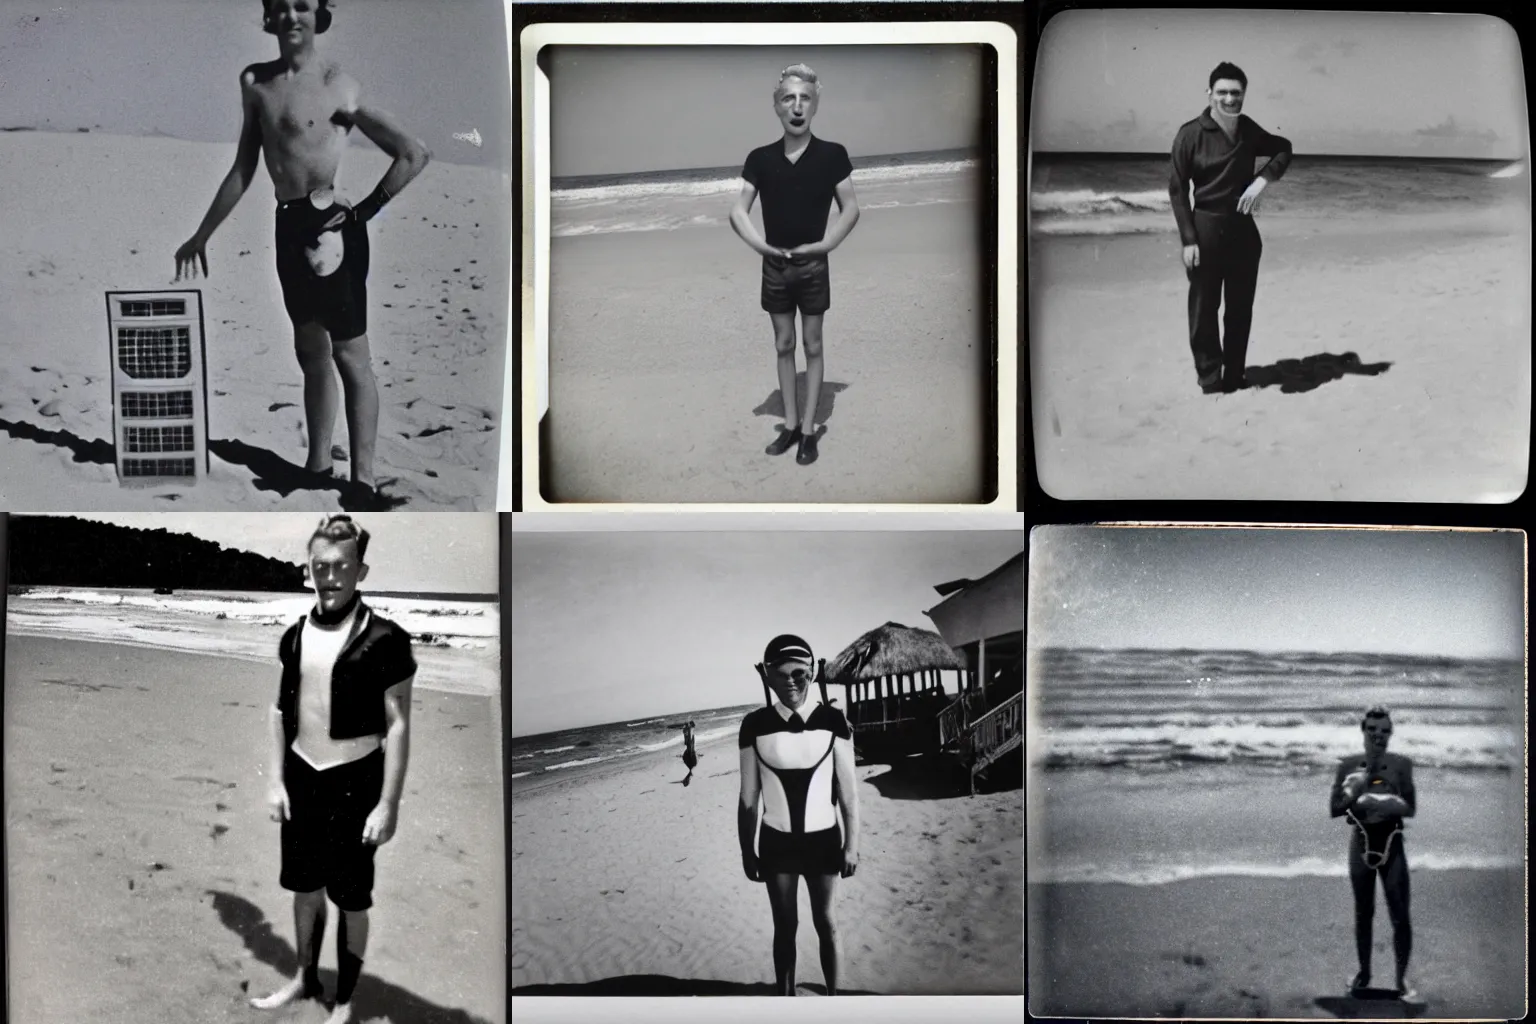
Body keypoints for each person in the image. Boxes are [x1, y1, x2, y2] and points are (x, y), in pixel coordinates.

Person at [174, 0, 431, 506]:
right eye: (282, 7)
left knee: (351, 355)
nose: (292, 16)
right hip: (288, 227)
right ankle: (317, 466)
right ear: (269, 17)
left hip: (333, 231)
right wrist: (201, 234)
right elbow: (244, 168)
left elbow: (412, 153)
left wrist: (363, 212)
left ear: (319, 15)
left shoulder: (339, 83)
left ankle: (363, 480)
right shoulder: (256, 83)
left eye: (303, 6)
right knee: (310, 352)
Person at [252, 515, 417, 1024]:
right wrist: (278, 781)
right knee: (304, 889)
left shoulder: (387, 639)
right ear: (309, 569)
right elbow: (282, 713)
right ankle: (304, 978)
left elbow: (398, 726)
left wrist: (387, 804)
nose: (330, 576)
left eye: (341, 567)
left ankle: (344, 1002)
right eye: (320, 566)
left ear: (360, 571)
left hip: (357, 781)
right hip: (303, 776)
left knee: (351, 898)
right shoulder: (294, 636)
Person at [729, 64, 861, 466]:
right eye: (788, 98)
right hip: (776, 267)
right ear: (777, 106)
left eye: (805, 98)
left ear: (815, 104)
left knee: (813, 344)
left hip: (813, 267)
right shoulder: (760, 158)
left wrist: (824, 245)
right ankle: (788, 424)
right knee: (783, 344)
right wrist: (762, 248)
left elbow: (851, 208)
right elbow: (737, 211)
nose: (797, 106)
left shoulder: (832, 155)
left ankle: (808, 431)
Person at [738, 635, 860, 995]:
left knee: (826, 922)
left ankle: (834, 1000)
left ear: (812, 671)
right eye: (780, 673)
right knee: (785, 925)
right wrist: (747, 850)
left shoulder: (833, 721)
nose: (791, 681)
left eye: (800, 673)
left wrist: (852, 845)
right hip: (776, 843)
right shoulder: (754, 725)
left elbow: (848, 791)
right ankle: (786, 1002)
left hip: (824, 839)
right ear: (767, 675)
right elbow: (748, 799)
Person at [1169, 61, 1292, 394]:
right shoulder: (1190, 133)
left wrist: (1260, 182)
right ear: (1209, 93)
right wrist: (1188, 240)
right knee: (1204, 311)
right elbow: (1178, 189)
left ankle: (1235, 376)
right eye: (1221, 92)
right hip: (1205, 229)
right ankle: (1210, 379)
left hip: (1244, 234)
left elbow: (1283, 148)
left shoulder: (1249, 130)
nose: (1228, 99)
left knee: (1239, 310)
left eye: (1235, 93)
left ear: (1243, 95)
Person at [1329, 705, 1416, 1000]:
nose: (1379, 736)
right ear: (1363, 731)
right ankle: (1364, 973)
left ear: (1390, 733)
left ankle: (1401, 981)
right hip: (1362, 841)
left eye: (1385, 731)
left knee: (1400, 916)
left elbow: (1411, 808)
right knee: (1363, 912)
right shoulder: (1347, 765)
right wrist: (1356, 790)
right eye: (1373, 730)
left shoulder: (1402, 764)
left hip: (1392, 842)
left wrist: (1388, 803)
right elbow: (1334, 809)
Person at [681, 720, 699, 785]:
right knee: (690, 745)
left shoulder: (690, 730)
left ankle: (687, 779)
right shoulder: (690, 730)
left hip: (690, 754)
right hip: (691, 754)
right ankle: (687, 779)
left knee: (689, 744)